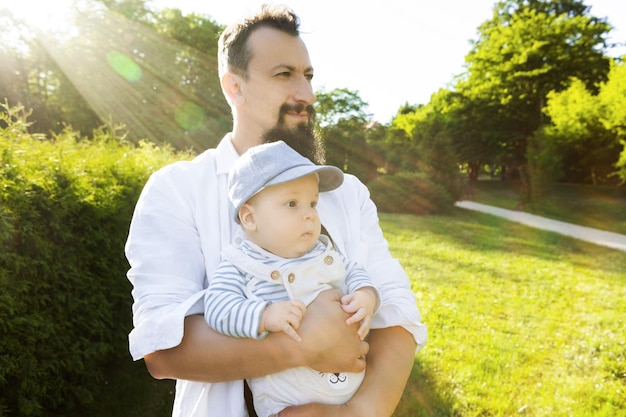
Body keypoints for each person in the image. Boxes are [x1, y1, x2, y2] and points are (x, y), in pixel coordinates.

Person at [125, 4, 427, 417]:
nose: (307, 95)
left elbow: (396, 310)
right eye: (284, 75)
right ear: (235, 87)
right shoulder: (177, 189)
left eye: (308, 76)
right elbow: (163, 347)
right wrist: (302, 345)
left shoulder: (347, 192)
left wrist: (359, 412)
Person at [205, 139, 381, 416]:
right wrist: (263, 315)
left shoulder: (323, 251)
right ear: (250, 218)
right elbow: (217, 308)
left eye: (313, 203)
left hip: (348, 391)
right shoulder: (240, 264)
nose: (310, 215)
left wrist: (366, 295)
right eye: (292, 203)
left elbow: (355, 271)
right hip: (286, 401)